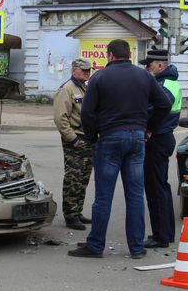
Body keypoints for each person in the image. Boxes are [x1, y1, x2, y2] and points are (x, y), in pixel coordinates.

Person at [68, 39, 172, 260]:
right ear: (129, 55)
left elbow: (87, 113)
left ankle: (95, 246)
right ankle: (136, 247)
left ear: (110, 55)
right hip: (136, 138)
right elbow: (164, 104)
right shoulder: (144, 76)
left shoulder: (99, 77)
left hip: (110, 138)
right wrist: (149, 127)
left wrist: (93, 137)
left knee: (103, 196)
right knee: (135, 195)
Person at [139, 49, 182, 249]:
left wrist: (149, 127)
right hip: (161, 137)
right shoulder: (165, 82)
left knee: (156, 188)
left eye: (149, 65)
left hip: (158, 138)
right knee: (159, 187)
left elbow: (158, 108)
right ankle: (165, 233)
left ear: (160, 65)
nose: (147, 68)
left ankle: (161, 236)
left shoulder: (166, 85)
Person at [53, 58, 93, 230]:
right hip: (75, 138)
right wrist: (73, 139)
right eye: (83, 70)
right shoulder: (67, 89)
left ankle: (77, 211)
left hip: (86, 137)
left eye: (88, 70)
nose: (87, 73)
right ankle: (70, 216)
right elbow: (60, 119)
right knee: (73, 178)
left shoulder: (84, 88)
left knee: (83, 178)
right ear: (74, 70)